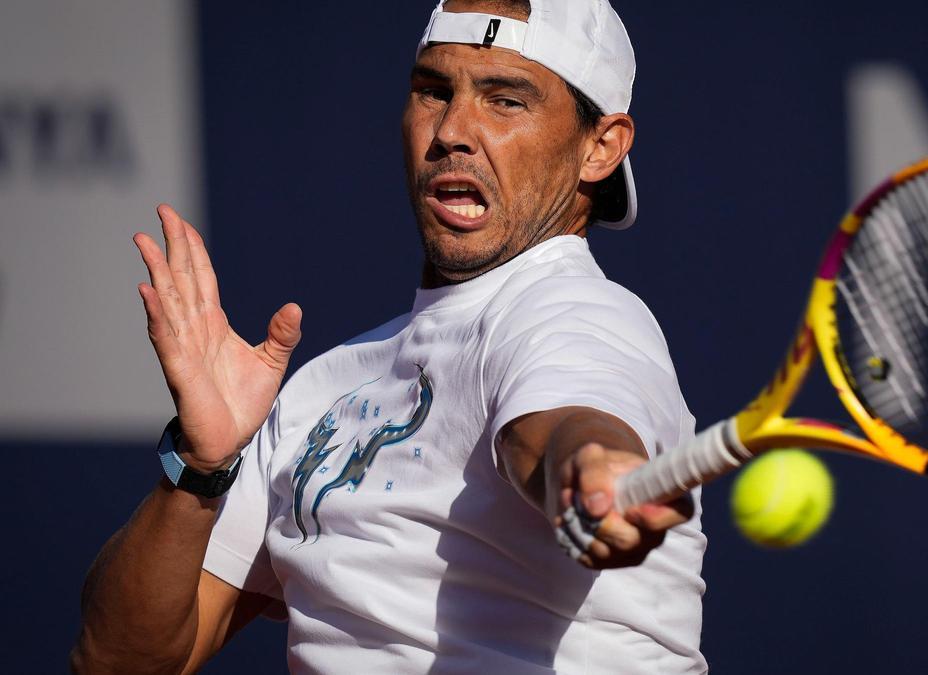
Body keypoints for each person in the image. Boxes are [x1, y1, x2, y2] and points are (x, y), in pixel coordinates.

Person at [71, 0, 706, 673]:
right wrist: (200, 467)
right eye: (434, 91)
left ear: (600, 147)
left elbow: (562, 426)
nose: (453, 131)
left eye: (505, 100)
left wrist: (587, 469)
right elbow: (116, 661)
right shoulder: (318, 388)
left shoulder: (576, 312)